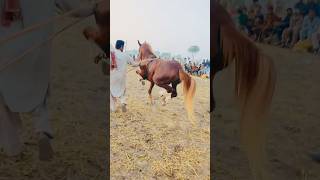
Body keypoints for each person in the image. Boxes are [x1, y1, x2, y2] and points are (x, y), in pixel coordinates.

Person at [0, 0, 100, 160]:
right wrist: (93, 8)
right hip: (36, 52)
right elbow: (72, 8)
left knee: (3, 98)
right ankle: (42, 130)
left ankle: (14, 148)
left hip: (7, 52)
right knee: (41, 91)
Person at [110, 40, 138, 112]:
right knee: (122, 91)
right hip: (122, 77)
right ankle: (123, 102)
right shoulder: (125, 55)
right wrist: (141, 63)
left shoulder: (112, 54)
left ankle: (113, 108)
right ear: (121, 46)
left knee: (111, 92)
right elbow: (134, 64)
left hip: (113, 76)